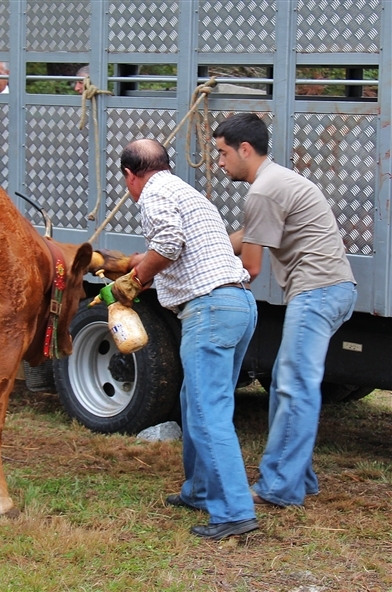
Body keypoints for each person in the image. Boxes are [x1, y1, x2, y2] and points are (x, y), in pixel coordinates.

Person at [109, 138, 259, 540]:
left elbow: (169, 245)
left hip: (209, 309)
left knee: (208, 410)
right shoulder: (183, 191)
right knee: (195, 402)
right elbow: (174, 245)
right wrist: (136, 264)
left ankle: (232, 512)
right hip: (238, 304)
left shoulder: (152, 194)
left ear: (130, 175)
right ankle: (200, 490)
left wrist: (135, 281)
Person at [214, 113, 357, 507]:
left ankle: (279, 487)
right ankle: (299, 478)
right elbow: (246, 236)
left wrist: (205, 283)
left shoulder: (263, 191)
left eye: (223, 153)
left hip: (318, 291)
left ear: (245, 149)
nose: (220, 163)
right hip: (329, 289)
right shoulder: (277, 181)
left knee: (294, 387)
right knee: (286, 382)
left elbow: (252, 266)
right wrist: (200, 251)